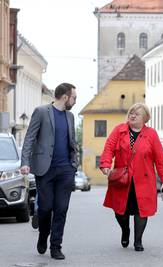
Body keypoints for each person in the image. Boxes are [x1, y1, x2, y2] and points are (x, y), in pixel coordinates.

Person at [100, 103, 163, 252]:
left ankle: (138, 241)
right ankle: (125, 231)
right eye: (131, 113)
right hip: (122, 179)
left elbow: (160, 159)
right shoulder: (120, 130)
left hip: (144, 180)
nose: (132, 115)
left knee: (141, 211)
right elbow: (109, 148)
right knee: (120, 212)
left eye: (136, 114)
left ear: (144, 118)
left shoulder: (151, 134)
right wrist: (106, 165)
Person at [20, 83, 78, 260]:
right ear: (65, 97)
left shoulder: (70, 116)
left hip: (65, 170)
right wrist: (25, 162)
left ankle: (55, 247)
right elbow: (29, 138)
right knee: (45, 208)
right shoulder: (41, 112)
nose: (75, 101)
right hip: (45, 170)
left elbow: (72, 142)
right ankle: (43, 235)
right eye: (74, 97)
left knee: (61, 209)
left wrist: (73, 163)